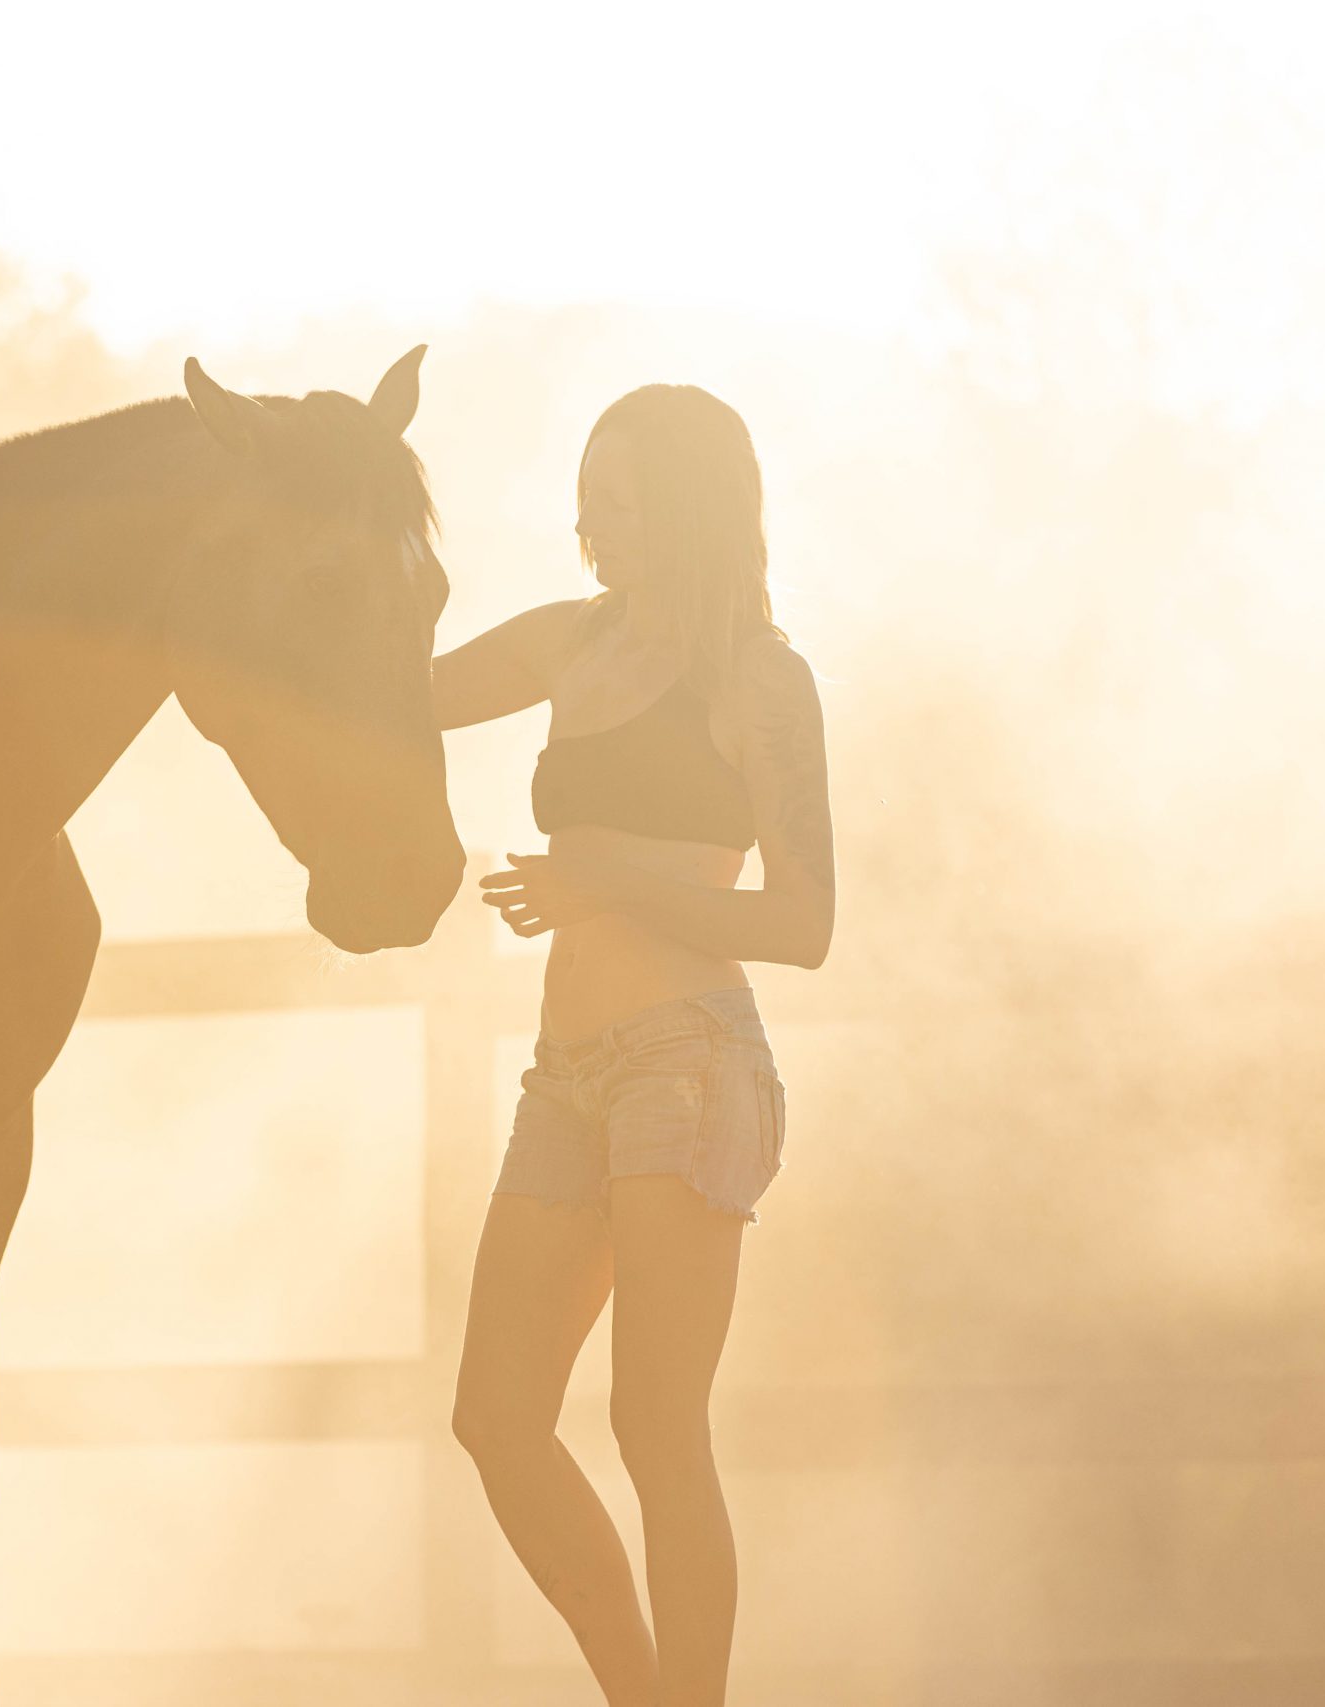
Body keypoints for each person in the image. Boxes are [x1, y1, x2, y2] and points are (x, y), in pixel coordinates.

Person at [433, 384, 834, 1706]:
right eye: (585, 494)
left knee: (656, 1429)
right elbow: (397, 695)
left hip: (688, 1058)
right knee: (495, 1419)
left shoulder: (760, 680)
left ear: (688, 504)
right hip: (569, 1078)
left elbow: (804, 919)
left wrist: (606, 888)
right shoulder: (565, 643)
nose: (586, 520)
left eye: (617, 496)